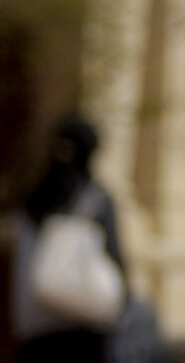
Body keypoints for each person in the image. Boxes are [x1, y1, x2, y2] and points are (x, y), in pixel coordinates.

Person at [11, 115, 127, 363]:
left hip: (34, 329)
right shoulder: (96, 199)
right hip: (86, 326)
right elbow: (117, 262)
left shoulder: (30, 197)